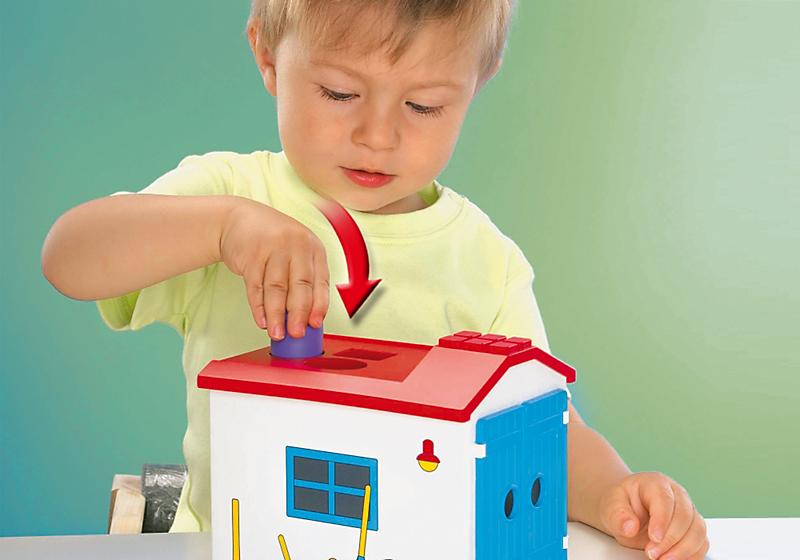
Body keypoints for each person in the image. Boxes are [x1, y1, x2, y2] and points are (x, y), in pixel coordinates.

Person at [40, 1, 708, 558]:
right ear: (268, 55)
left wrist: (617, 494)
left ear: (478, 80)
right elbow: (69, 257)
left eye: (423, 105)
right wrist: (223, 228)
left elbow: (543, 433)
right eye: (340, 93)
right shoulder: (229, 195)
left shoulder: (485, 261)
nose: (377, 135)